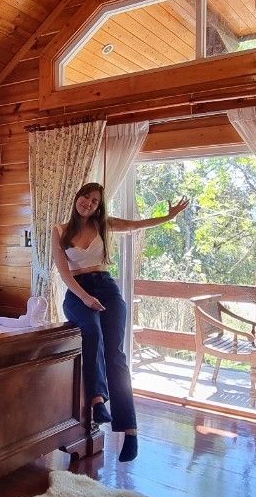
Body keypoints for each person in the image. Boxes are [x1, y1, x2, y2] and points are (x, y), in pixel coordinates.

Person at [52, 183, 189, 462]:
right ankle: (98, 401)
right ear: (76, 197)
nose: (88, 203)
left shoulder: (104, 225)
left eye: (94, 201)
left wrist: (168, 217)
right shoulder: (60, 230)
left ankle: (130, 432)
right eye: (85, 197)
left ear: (98, 206)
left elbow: (137, 224)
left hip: (106, 287)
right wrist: (86, 298)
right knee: (91, 331)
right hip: (77, 293)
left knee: (116, 354)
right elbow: (64, 273)